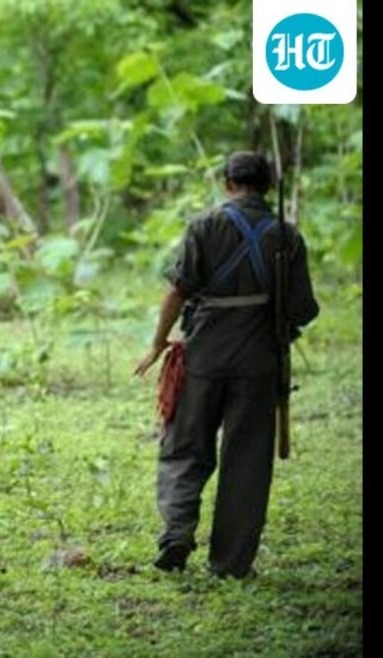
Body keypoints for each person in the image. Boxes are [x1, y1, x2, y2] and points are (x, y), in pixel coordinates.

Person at [134, 151, 319, 578]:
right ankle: (231, 563)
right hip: (259, 364)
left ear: (227, 183)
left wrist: (159, 343)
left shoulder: (203, 227)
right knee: (247, 461)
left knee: (184, 447)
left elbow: (176, 292)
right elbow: (303, 309)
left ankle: (177, 534)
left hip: (203, 357)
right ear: (268, 186)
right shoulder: (288, 237)